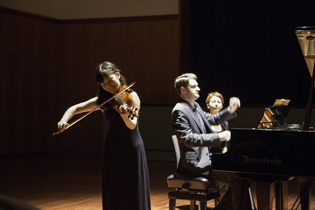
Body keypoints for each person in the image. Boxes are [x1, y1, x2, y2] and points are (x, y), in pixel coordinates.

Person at [57, 61, 151, 210]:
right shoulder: (103, 102)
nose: (107, 85)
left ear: (118, 75)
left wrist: (125, 115)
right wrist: (63, 120)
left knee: (132, 189)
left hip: (131, 148)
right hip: (112, 149)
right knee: (114, 189)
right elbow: (74, 108)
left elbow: (132, 125)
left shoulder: (132, 96)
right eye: (103, 84)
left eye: (109, 80)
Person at [171, 73, 254, 210]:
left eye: (197, 85)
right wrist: (219, 136)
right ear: (183, 90)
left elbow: (213, 119)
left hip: (207, 159)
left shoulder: (196, 107)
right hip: (194, 163)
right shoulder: (179, 111)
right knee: (239, 176)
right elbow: (189, 139)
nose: (198, 88)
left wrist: (230, 109)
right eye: (194, 86)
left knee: (243, 173)